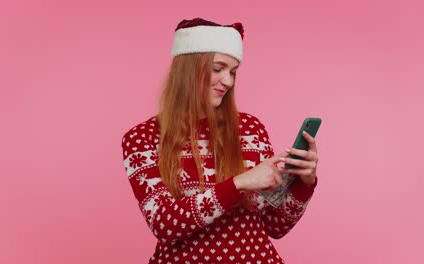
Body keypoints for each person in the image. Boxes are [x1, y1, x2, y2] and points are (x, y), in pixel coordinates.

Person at [121, 17, 319, 264]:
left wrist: (304, 182)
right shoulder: (142, 138)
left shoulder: (250, 129)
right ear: (188, 68)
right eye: (218, 68)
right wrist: (238, 184)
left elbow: (275, 225)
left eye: (233, 72)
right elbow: (164, 223)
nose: (228, 81)